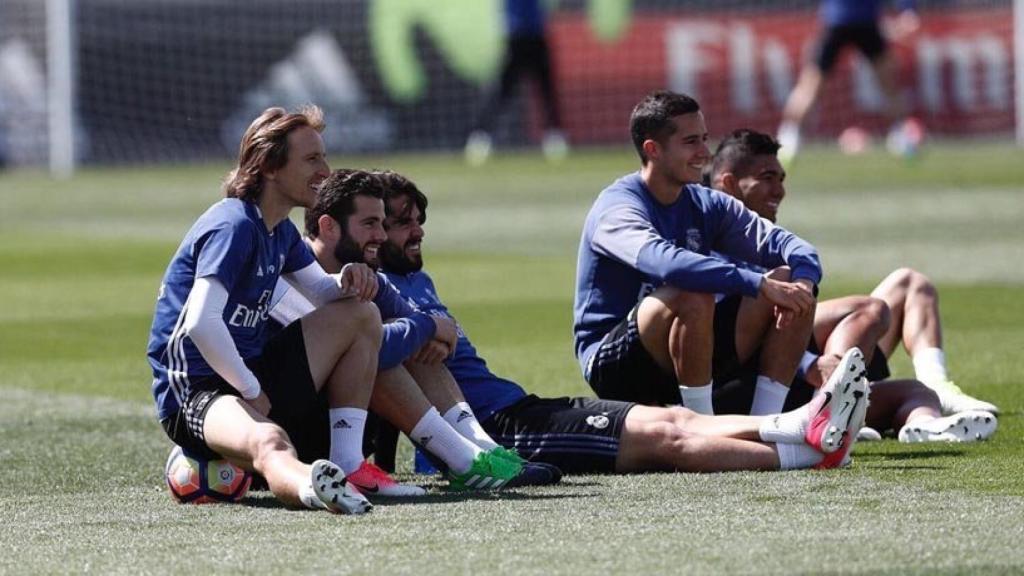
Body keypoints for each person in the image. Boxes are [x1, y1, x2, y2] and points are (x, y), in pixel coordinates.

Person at [367, 169, 870, 474]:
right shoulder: (371, 292)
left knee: (677, 419)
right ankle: (808, 453)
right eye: (401, 222)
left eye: (420, 220)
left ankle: (798, 428)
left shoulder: (414, 280)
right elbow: (380, 364)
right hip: (499, 434)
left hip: (520, 409)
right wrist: (430, 330)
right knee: (665, 440)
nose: (418, 232)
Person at [147, 106, 386, 515]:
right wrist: (251, 390)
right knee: (269, 442)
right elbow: (200, 324)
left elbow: (322, 292)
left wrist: (350, 278)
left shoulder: (281, 231)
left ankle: (348, 466)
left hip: (250, 376)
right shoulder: (233, 225)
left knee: (360, 314)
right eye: (312, 159)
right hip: (198, 391)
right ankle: (315, 489)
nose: (325, 171)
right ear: (270, 166)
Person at [268, 168, 557, 490]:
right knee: (378, 339)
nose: (381, 235)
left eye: (382, 223)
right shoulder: (293, 270)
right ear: (328, 227)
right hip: (287, 432)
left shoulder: (365, 275)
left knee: (404, 339)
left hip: (343, 426)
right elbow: (380, 339)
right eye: (370, 224)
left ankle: (482, 450)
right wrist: (426, 326)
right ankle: (462, 460)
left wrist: (427, 328)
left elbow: (434, 331)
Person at [706, 128, 998, 442]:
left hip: (788, 367)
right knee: (867, 309)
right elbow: (728, 334)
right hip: (744, 383)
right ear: (729, 183)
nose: (780, 190)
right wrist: (810, 364)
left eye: (782, 179)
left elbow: (796, 279)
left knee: (915, 381)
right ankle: (834, 406)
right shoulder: (705, 235)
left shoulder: (759, 235)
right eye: (768, 178)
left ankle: (926, 419)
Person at [574, 90, 821, 418]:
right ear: (653, 150)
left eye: (704, 139)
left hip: (688, 348)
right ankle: (704, 429)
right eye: (691, 142)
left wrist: (803, 283)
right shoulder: (618, 208)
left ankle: (770, 425)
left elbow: (792, 247)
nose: (705, 153)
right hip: (615, 363)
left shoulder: (706, 202)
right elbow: (667, 263)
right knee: (693, 292)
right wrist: (758, 284)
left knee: (789, 278)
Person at [777, 0, 924, 164]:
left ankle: (900, 134)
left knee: (888, 83)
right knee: (812, 85)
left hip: (856, 22)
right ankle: (789, 137)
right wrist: (907, 9)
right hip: (843, 22)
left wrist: (907, 9)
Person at [464, 0, 568, 165]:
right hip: (515, 39)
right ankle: (480, 137)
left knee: (546, 91)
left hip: (537, 37)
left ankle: (554, 138)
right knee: (501, 93)